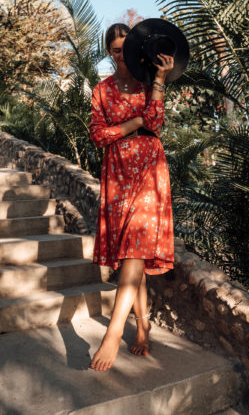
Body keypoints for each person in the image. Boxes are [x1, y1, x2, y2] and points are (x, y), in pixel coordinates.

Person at [89, 23, 174, 371]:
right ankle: (143, 325)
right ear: (110, 51)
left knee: (136, 247)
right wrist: (133, 122)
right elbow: (97, 136)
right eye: (117, 49)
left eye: (127, 48)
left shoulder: (146, 83)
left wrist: (160, 81)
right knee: (129, 256)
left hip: (150, 171)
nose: (122, 54)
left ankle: (113, 332)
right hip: (117, 175)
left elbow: (156, 123)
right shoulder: (102, 90)